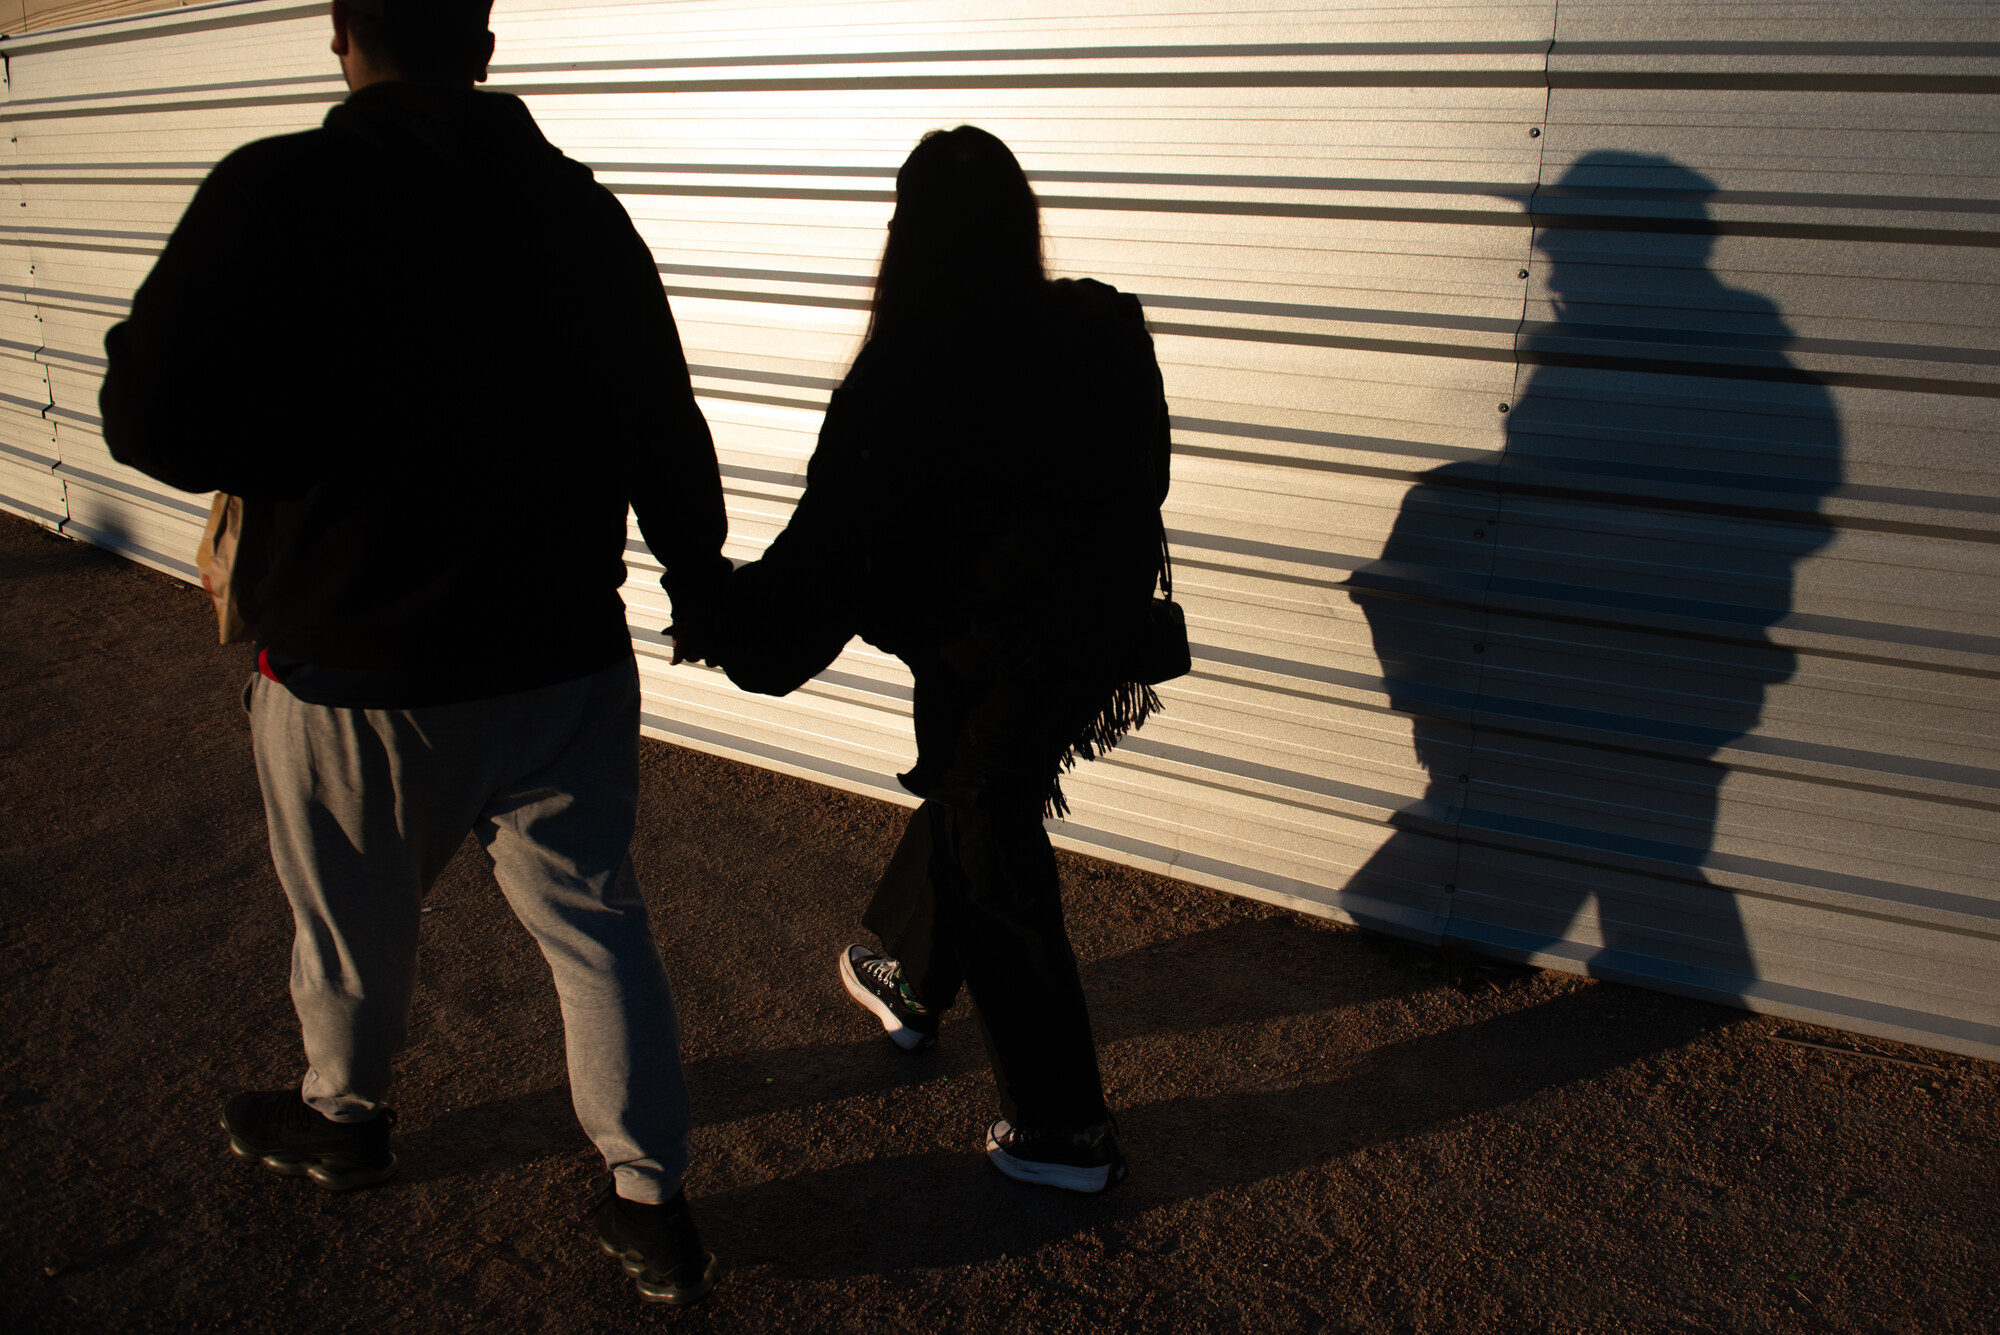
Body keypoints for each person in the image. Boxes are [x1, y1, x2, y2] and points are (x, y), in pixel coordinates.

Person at [99, 0, 727, 1306]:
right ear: (483, 44)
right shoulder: (579, 211)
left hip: (351, 668)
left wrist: (296, 460)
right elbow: (662, 421)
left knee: (352, 924)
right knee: (595, 925)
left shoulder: (276, 190)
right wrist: (701, 575)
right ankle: (651, 1202)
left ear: (341, 34)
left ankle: (346, 1122)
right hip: (561, 656)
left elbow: (147, 415)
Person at [711, 126, 1173, 1194]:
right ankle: (910, 980)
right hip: (1089, 640)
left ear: (906, 236)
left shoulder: (902, 372)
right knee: (976, 801)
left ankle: (1063, 1132)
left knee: (986, 843)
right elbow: (1141, 482)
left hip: (988, 656)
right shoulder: (1103, 329)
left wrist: (725, 620)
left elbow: (825, 551)